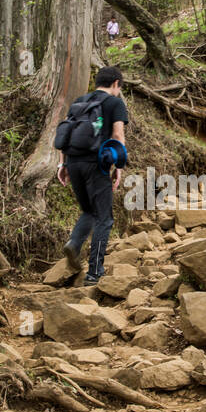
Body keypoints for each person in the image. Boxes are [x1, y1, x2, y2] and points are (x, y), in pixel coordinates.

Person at [56, 66, 129, 285]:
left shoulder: (80, 101)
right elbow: (117, 134)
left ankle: (75, 243)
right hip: (96, 165)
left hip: (74, 163)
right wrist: (119, 166)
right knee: (104, 218)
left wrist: (63, 164)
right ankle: (95, 272)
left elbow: (66, 132)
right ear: (116, 83)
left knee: (89, 210)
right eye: (119, 87)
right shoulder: (115, 103)